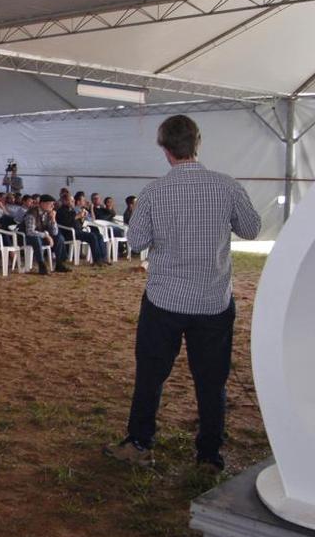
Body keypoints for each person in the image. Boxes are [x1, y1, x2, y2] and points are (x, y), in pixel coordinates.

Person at [105, 115, 260, 472]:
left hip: (165, 300)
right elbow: (251, 229)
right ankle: (209, 454)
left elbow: (136, 242)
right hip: (213, 301)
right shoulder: (227, 186)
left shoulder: (154, 192)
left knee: (150, 375)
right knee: (211, 379)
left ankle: (140, 441)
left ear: (164, 149)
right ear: (197, 143)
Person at [19, 194, 69, 275]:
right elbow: (30, 231)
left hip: (41, 236)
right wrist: (46, 235)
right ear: (43, 204)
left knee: (59, 237)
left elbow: (54, 232)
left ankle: (59, 264)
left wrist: (53, 219)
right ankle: (41, 266)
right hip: (26, 238)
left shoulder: (47, 213)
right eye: (51, 204)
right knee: (36, 239)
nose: (53, 206)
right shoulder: (32, 213)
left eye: (53, 204)